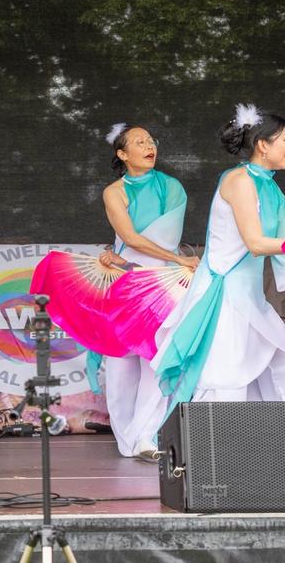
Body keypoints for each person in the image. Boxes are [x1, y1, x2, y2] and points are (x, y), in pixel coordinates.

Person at [139, 104, 285, 444]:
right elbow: (256, 243)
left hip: (249, 298)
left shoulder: (270, 189)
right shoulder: (238, 181)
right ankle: (204, 455)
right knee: (226, 378)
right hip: (223, 299)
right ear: (262, 144)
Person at [96, 123, 198, 459]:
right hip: (126, 282)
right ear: (122, 154)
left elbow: (163, 236)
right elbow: (132, 238)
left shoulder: (172, 187)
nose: (149, 146)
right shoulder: (114, 192)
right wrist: (178, 259)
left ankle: (146, 436)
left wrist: (172, 263)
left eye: (151, 141)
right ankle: (126, 435)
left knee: (157, 361)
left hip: (163, 285)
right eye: (139, 142)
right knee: (120, 364)